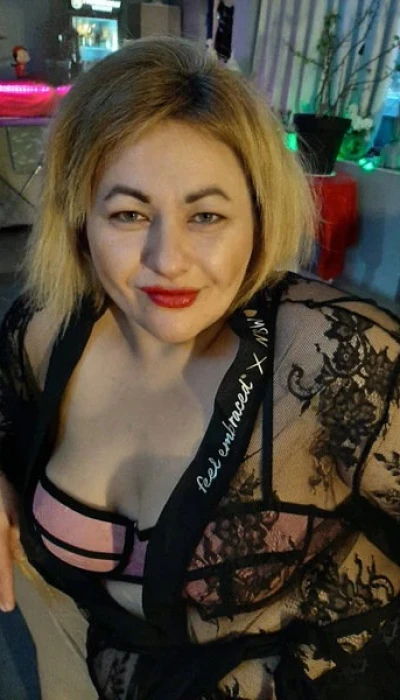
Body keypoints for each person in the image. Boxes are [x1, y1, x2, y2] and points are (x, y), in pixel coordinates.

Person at [0, 36, 399, 700]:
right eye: (129, 214)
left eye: (206, 215)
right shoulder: (45, 329)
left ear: (258, 219)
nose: (168, 260)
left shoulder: (342, 361)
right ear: (81, 222)